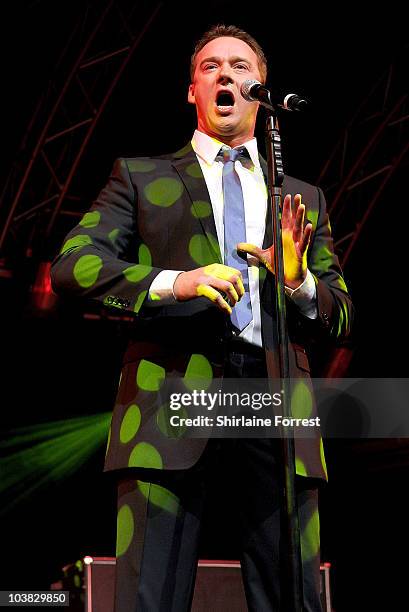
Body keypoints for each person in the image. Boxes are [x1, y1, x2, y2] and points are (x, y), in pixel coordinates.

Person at [51, 24, 353, 612]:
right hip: (170, 398)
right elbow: (72, 267)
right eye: (211, 67)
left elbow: (341, 315)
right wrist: (174, 283)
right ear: (192, 90)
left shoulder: (300, 198)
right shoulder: (142, 176)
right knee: (150, 597)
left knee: (294, 596)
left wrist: (298, 283)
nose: (225, 76)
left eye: (240, 67)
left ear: (260, 91)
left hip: (274, 401)